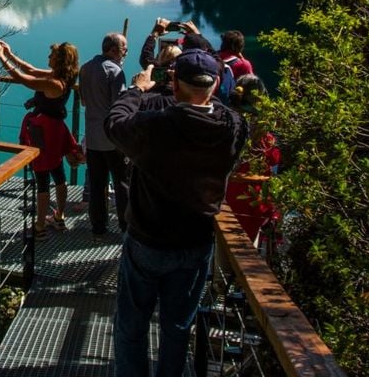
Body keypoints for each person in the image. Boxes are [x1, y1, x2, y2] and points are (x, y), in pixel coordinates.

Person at [105, 48, 249, 377]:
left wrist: (136, 91)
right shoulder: (233, 126)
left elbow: (115, 125)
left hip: (147, 240)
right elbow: (223, 114)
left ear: (174, 81)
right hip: (196, 242)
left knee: (131, 326)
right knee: (178, 327)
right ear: (214, 85)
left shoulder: (156, 126)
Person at [0, 39, 83, 238]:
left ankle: (40, 226)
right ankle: (59, 217)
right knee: (58, 175)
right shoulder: (63, 77)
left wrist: (0, 57)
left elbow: (22, 77)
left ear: (59, 61)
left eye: (51, 56)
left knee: (42, 178)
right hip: (57, 129)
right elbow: (31, 69)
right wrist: (9, 53)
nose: (48, 58)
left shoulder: (52, 82)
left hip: (44, 133)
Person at [77, 32, 129, 240]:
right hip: (113, 137)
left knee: (97, 185)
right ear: (114, 50)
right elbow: (120, 107)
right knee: (122, 183)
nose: (126, 52)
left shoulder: (85, 68)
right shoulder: (115, 71)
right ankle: (126, 228)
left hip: (92, 136)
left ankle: (98, 228)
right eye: (124, 49)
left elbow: (83, 101)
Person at [225, 74, 281, 248]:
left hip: (225, 199)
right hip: (253, 203)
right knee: (247, 253)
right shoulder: (265, 137)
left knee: (224, 256)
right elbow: (273, 162)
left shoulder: (226, 124)